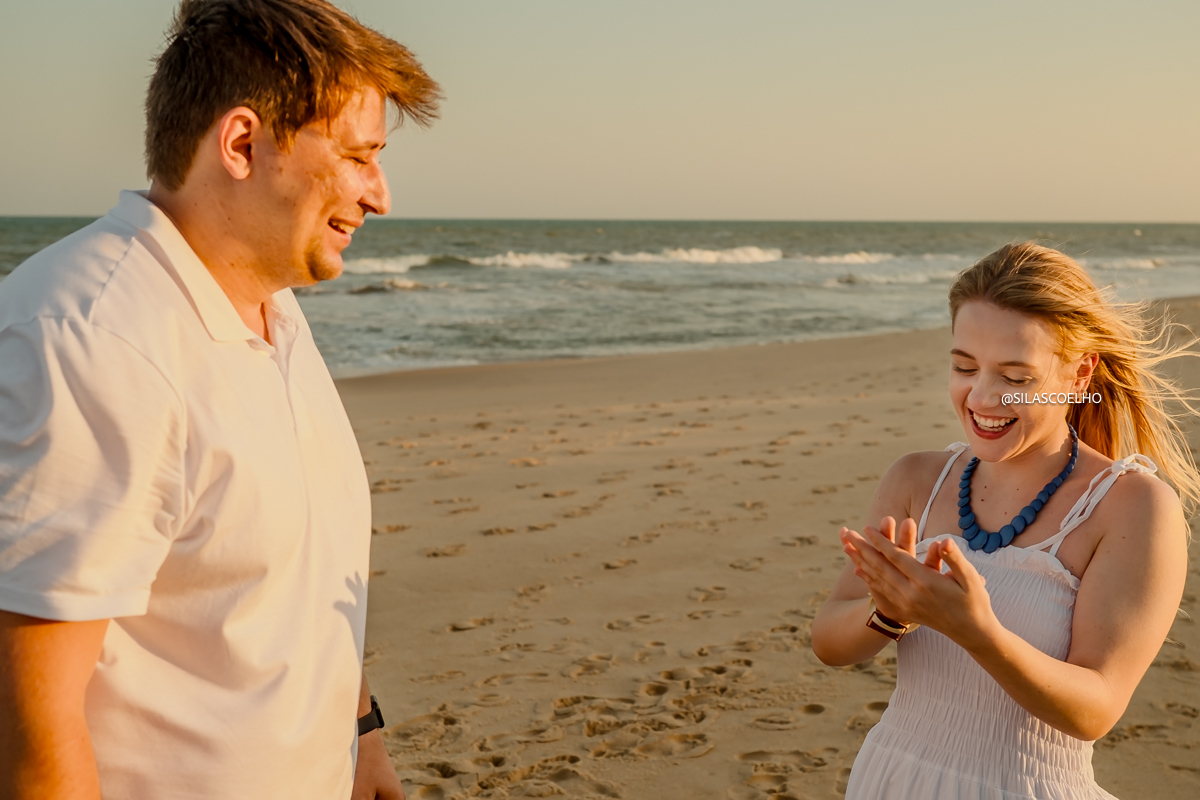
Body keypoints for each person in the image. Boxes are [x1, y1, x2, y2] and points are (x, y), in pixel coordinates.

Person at [0, 1, 439, 798]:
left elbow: (289, 578)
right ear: (242, 144)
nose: (379, 194)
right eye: (355, 156)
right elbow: (27, 722)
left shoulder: (269, 306)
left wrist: (359, 736)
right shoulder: (95, 342)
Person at [811, 242, 1196, 799]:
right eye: (964, 366)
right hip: (891, 777)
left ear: (1079, 372)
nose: (981, 396)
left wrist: (977, 631)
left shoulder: (1132, 506)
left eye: (1015, 376)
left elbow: (1097, 709)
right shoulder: (917, 479)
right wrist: (888, 614)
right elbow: (828, 642)